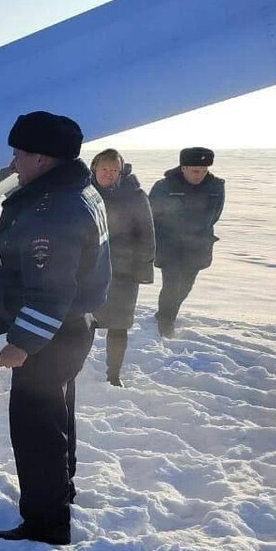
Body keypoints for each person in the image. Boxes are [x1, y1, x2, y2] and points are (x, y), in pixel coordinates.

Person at [0, 111, 110, 546]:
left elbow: (51, 288)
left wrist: (22, 343)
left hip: (51, 333)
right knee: (57, 414)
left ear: (42, 158)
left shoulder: (52, 211)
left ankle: (45, 523)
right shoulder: (74, 188)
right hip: (72, 328)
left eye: (19, 153)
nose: (13, 161)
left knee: (35, 427)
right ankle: (59, 491)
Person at [89, 149, 155, 385]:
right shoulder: (83, 192)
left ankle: (114, 375)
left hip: (123, 271)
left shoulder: (135, 196)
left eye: (114, 170)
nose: (109, 174)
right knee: (84, 321)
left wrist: (142, 269)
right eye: (105, 169)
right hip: (88, 270)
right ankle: (73, 367)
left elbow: (147, 235)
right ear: (94, 168)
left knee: (118, 326)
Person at [149, 147, 224, 337]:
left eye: (205, 170)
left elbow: (215, 214)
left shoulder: (216, 186)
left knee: (186, 285)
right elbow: (152, 215)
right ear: (183, 168)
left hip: (198, 244)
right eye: (196, 170)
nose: (200, 175)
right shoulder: (164, 186)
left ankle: (166, 313)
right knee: (172, 285)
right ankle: (166, 322)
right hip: (169, 244)